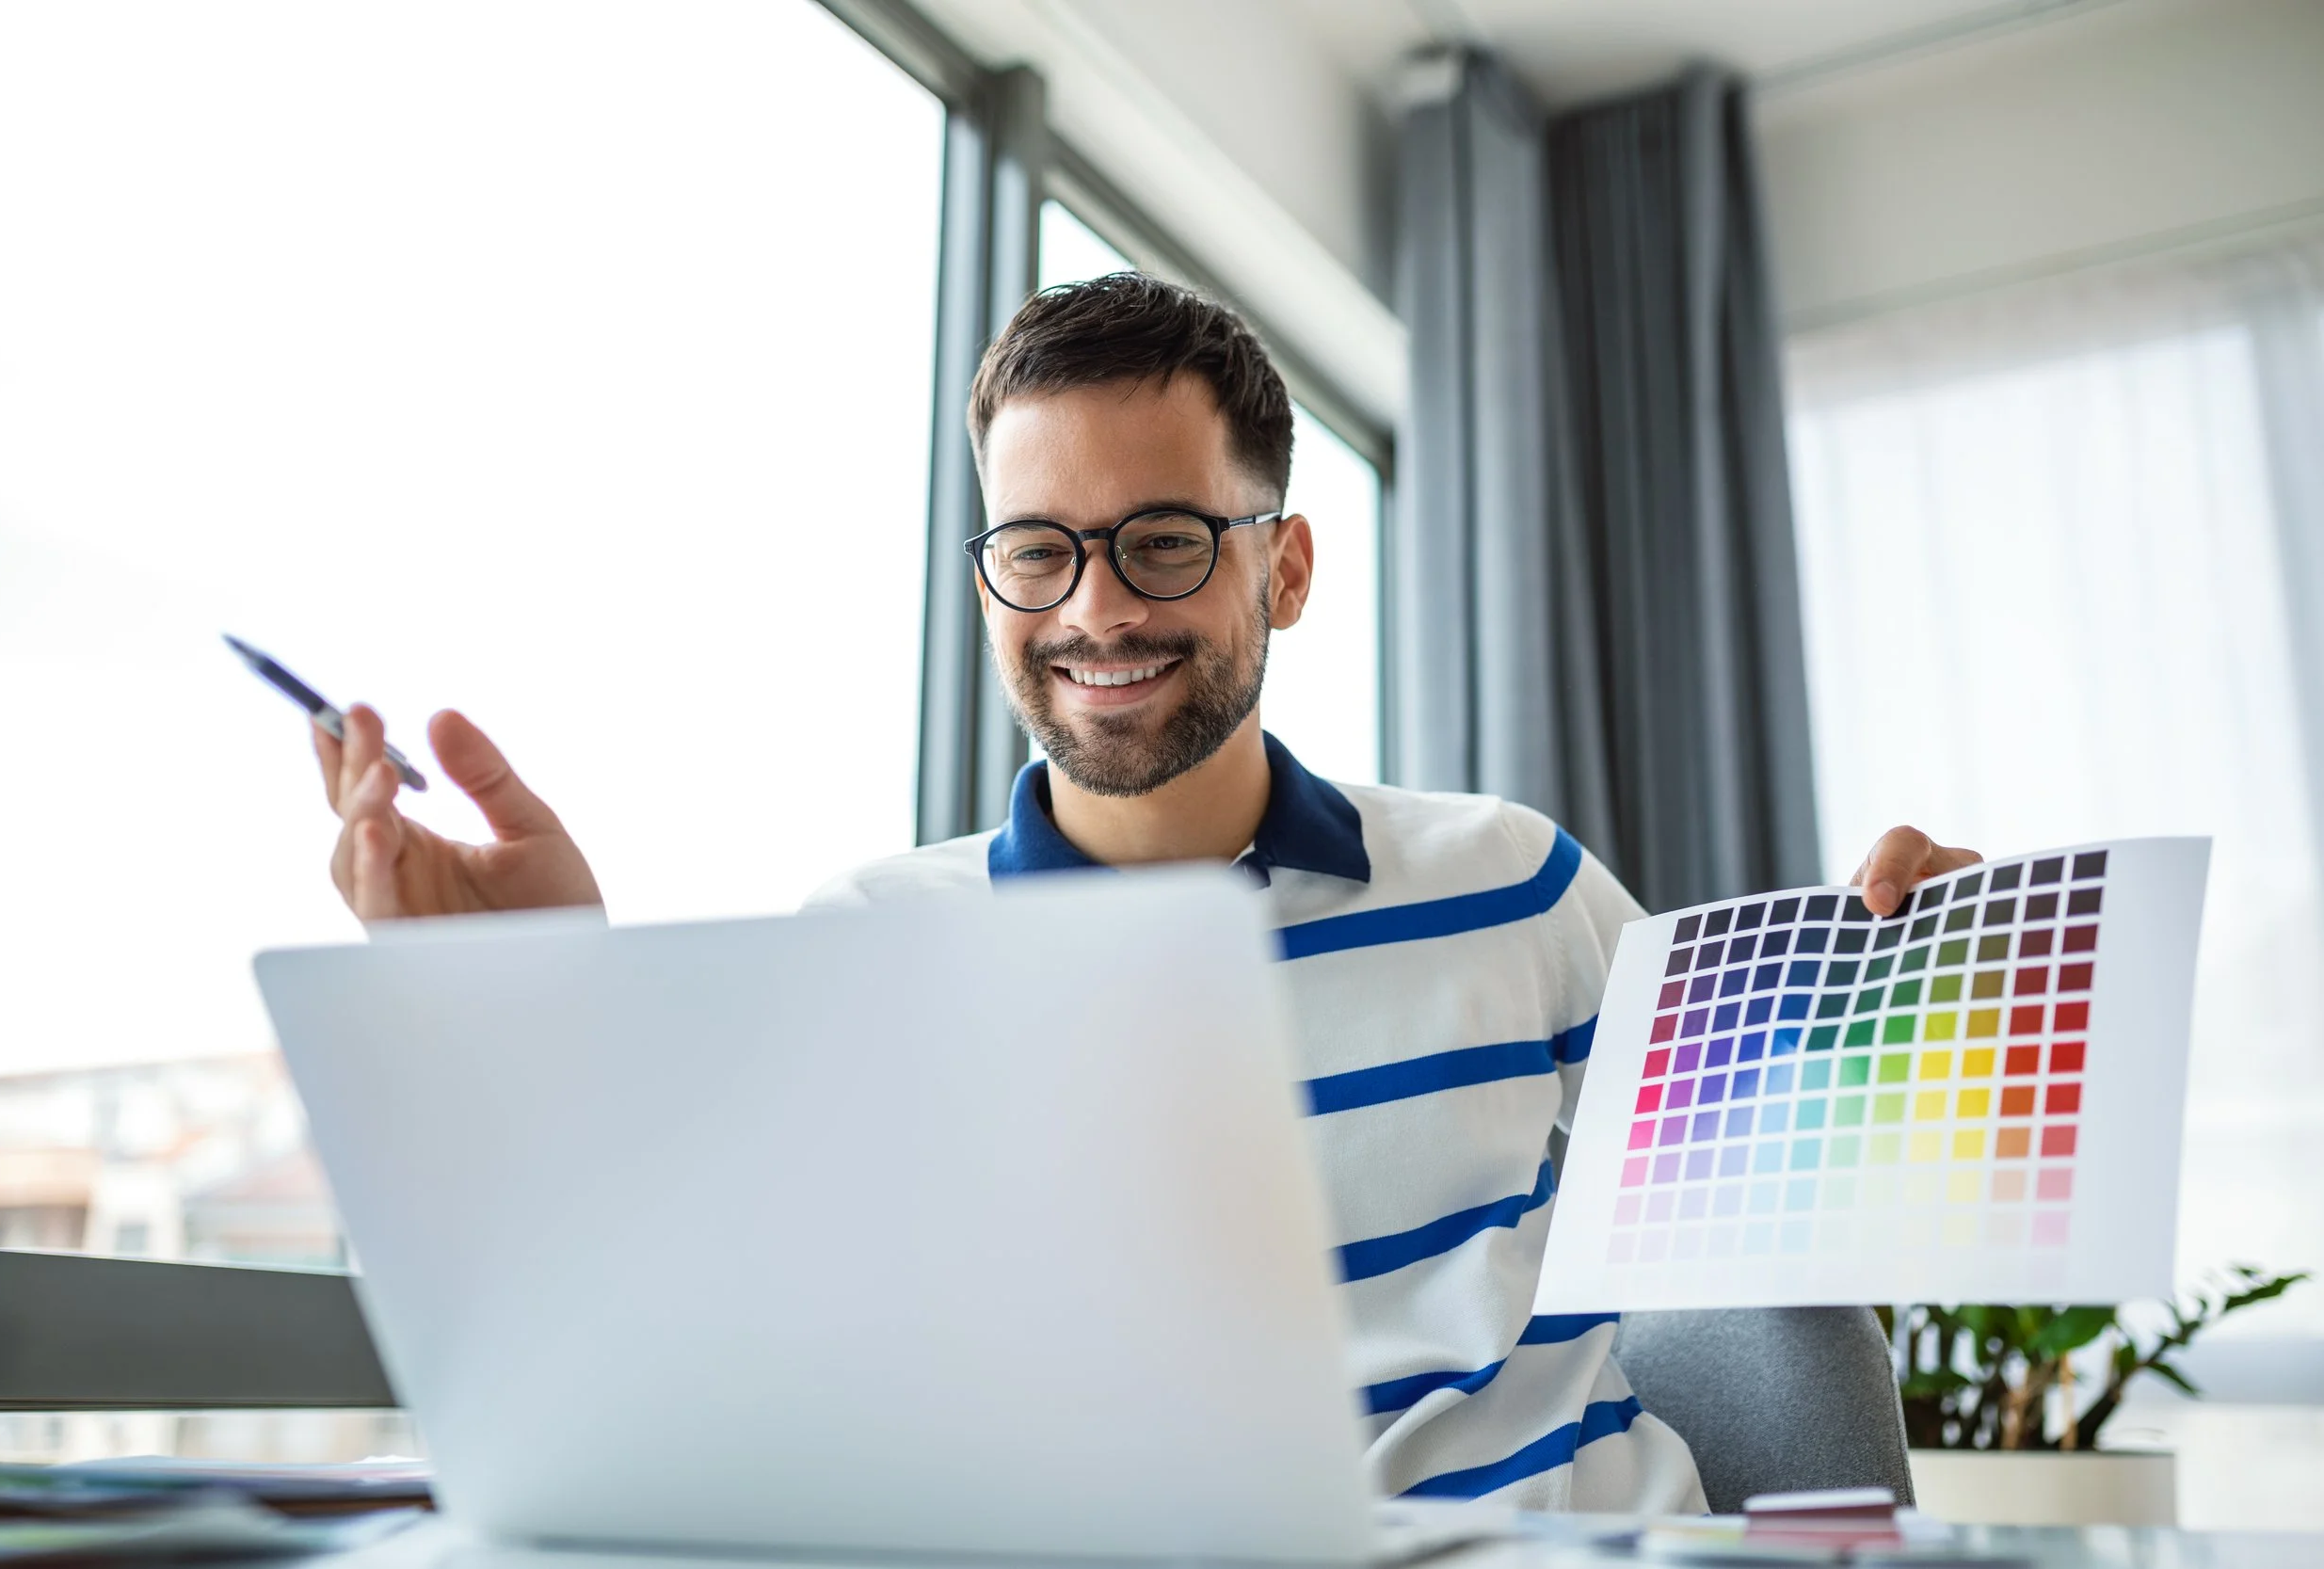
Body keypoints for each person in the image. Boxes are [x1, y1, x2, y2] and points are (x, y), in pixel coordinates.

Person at [310, 273, 1977, 1511]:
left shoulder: (1518, 884)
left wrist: (1938, 974)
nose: (1095, 606)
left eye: (1163, 538)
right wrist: (534, 1005)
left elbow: (1815, 1192)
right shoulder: (869, 952)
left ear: (1287, 566)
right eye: (1037, 547)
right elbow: (694, 1378)